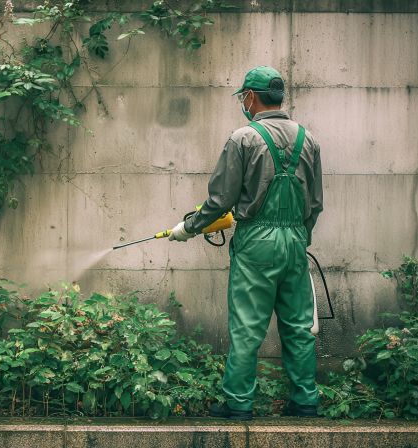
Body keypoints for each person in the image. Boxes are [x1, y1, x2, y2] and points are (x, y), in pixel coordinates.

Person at [168, 66, 323, 421]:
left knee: (248, 327)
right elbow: (315, 203)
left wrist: (189, 227)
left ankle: (238, 404)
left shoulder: (243, 138)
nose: (243, 102)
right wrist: (299, 237)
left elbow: (220, 200)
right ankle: (305, 402)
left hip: (256, 242)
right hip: (295, 239)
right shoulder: (308, 140)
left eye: (243, 96)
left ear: (251, 98)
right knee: (299, 326)